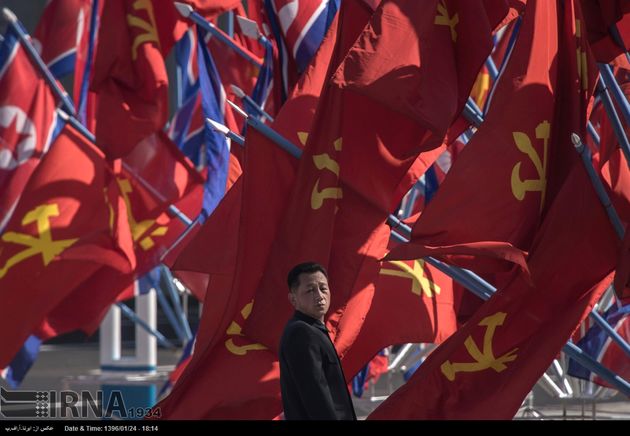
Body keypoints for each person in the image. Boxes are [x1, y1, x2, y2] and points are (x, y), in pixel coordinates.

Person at [278, 262, 356, 420]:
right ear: (293, 299)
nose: (320, 296)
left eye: (323, 288)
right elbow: (315, 394)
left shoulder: (314, 330)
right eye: (310, 290)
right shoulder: (301, 332)